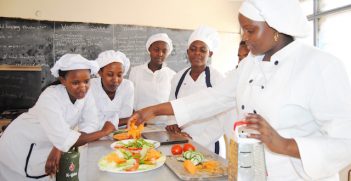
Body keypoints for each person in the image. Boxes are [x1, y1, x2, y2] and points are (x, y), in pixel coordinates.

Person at [129, 0, 351, 180]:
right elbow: (214, 98)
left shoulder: (320, 66)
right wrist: (155, 110)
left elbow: (345, 141)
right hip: (251, 171)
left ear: (275, 27)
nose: (244, 38)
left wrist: (284, 144)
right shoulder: (250, 65)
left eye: (250, 30)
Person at [0, 54, 115, 180]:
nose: (83, 87)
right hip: (21, 145)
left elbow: (90, 124)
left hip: (47, 145)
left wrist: (59, 146)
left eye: (86, 81)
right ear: (63, 80)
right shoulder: (50, 97)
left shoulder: (85, 95)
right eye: (76, 82)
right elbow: (65, 138)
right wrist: (104, 132)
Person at [165, 26, 229, 154]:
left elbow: (222, 120)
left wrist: (197, 140)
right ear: (188, 52)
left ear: (210, 54)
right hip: (182, 141)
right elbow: (172, 104)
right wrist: (172, 122)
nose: (197, 53)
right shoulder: (177, 78)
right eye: (193, 49)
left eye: (202, 50)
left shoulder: (218, 79)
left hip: (209, 144)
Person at [129, 33, 176, 126]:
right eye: (156, 49)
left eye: (164, 51)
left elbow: (173, 103)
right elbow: (130, 99)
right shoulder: (136, 71)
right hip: (139, 124)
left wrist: (171, 123)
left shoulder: (172, 75)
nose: (160, 54)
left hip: (163, 126)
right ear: (149, 49)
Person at [90, 50, 134, 129]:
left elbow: (126, 114)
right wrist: (126, 120)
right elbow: (92, 120)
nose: (115, 80)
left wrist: (127, 119)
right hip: (95, 133)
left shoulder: (127, 86)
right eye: (110, 74)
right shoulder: (91, 86)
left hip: (122, 132)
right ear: (100, 72)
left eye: (119, 75)